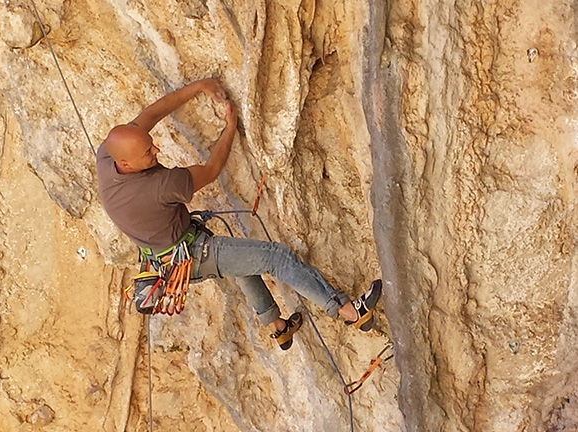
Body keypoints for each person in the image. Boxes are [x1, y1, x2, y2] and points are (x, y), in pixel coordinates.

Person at [96, 78, 381, 349]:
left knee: (240, 260)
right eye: (148, 153)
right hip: (192, 257)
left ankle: (276, 326)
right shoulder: (160, 186)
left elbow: (152, 112)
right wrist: (231, 128)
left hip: (162, 259)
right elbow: (210, 171)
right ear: (127, 163)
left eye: (151, 144)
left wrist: (198, 87)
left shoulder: (108, 157)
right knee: (276, 257)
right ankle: (349, 312)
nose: (155, 150)